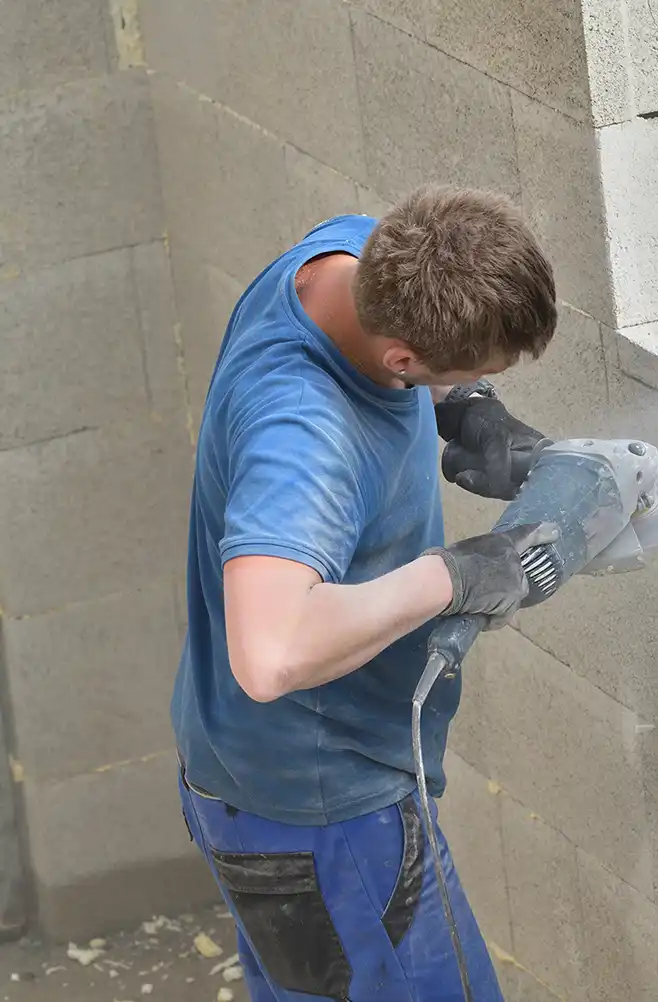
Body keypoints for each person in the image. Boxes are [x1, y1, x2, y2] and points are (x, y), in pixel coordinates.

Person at [172, 184, 557, 1002]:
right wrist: (448, 577)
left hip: (258, 787)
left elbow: (425, 351)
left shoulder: (360, 254)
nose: (476, 379)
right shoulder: (304, 436)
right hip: (322, 811)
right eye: (474, 370)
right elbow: (268, 655)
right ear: (401, 363)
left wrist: (472, 409)